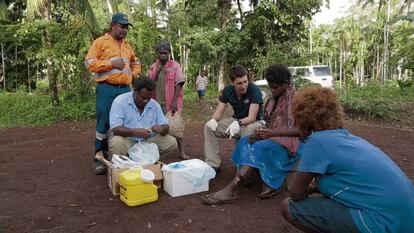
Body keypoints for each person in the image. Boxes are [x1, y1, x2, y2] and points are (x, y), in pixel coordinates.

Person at [280, 87, 414, 233]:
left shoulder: (317, 141)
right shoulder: (346, 137)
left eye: (296, 120)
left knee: (288, 207)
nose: (295, 125)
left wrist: (312, 187)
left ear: (304, 121)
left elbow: (296, 194)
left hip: (382, 223)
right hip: (404, 218)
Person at [202, 64, 301, 205]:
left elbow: (302, 130)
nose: (272, 91)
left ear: (286, 84)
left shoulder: (297, 100)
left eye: (275, 87)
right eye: (271, 87)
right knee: (244, 141)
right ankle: (221, 168)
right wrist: (213, 120)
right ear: (232, 83)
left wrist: (271, 133)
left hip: (287, 137)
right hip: (272, 134)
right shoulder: (274, 98)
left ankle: (232, 187)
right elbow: (270, 122)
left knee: (254, 142)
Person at [84, 12, 141, 175]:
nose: (124, 30)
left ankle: (124, 156)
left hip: (125, 90)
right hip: (106, 89)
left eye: (126, 28)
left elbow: (135, 62)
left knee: (127, 121)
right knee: (103, 124)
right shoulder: (100, 42)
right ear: (113, 25)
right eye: (122, 26)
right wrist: (109, 63)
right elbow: (89, 63)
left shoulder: (127, 45)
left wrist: (134, 74)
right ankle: (100, 157)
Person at [203, 64, 265, 173]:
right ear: (232, 83)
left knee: (248, 130)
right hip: (237, 122)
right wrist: (213, 120)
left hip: (255, 123)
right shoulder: (228, 91)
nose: (243, 85)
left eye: (245, 81)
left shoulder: (254, 90)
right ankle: (213, 165)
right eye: (239, 83)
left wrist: (238, 122)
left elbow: (252, 117)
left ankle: (244, 171)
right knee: (209, 127)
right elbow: (218, 112)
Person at [109, 76, 178, 157]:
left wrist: (162, 129)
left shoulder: (154, 105)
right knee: (116, 143)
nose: (146, 101)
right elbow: (116, 129)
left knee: (172, 142)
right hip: (128, 140)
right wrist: (136, 132)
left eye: (149, 98)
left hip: (148, 141)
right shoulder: (120, 101)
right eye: (143, 97)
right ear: (135, 91)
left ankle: (146, 159)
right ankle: (131, 159)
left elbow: (166, 127)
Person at [148, 41, 188, 159]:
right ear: (157, 54)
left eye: (165, 53)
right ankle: (160, 151)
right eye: (161, 53)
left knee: (176, 126)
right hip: (156, 102)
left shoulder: (175, 66)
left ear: (169, 53)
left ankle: (182, 151)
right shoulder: (153, 67)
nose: (163, 55)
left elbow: (179, 83)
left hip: (171, 102)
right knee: (158, 126)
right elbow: (150, 83)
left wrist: (175, 101)